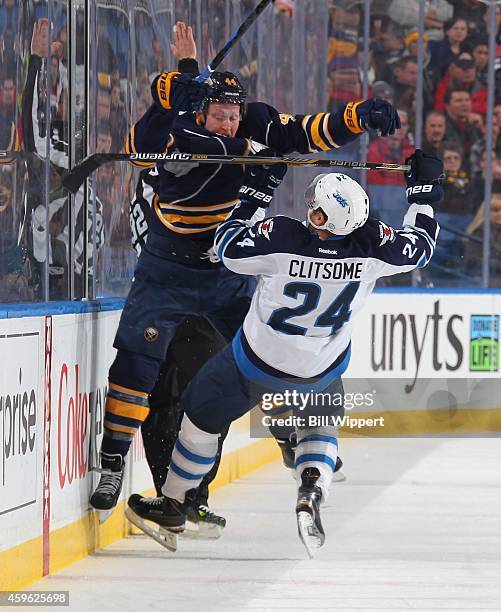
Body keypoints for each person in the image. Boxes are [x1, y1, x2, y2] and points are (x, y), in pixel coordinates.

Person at [90, 21, 393, 519]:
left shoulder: (248, 122)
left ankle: (292, 436)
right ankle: (113, 460)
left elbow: (302, 132)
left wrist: (355, 117)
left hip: (224, 275)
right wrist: (181, 84)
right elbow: (191, 137)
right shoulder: (182, 131)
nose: (228, 124)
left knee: (262, 356)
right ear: (202, 111)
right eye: (219, 115)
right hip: (167, 269)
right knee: (137, 363)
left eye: (234, 116)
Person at [126, 149, 443, 556]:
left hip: (255, 362)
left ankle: (173, 502)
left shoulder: (283, 238)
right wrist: (423, 195)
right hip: (321, 368)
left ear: (319, 218)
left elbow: (228, 248)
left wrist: (257, 191)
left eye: (314, 203)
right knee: (321, 424)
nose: (307, 203)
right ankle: (311, 487)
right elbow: (420, 246)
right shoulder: (372, 246)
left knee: (200, 417)